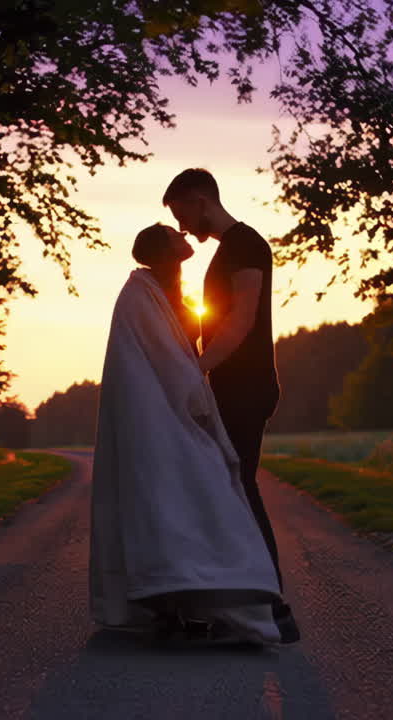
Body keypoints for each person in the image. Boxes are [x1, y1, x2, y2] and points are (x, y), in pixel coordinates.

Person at [89, 223, 285, 646]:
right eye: (172, 233)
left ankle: (223, 600)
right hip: (154, 417)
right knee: (174, 499)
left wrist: (192, 394)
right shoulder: (140, 293)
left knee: (197, 496)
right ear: (164, 250)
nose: (182, 233)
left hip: (174, 412)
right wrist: (194, 395)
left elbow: (178, 353)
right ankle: (172, 606)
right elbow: (160, 358)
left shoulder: (171, 290)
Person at [162, 168, 302, 644]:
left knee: (239, 486)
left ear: (200, 200)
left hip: (247, 387)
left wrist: (196, 369)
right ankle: (241, 601)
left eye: (181, 213)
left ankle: (276, 608)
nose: (182, 226)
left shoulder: (246, 245)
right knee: (228, 485)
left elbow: (240, 320)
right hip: (230, 386)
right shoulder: (227, 251)